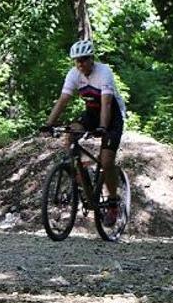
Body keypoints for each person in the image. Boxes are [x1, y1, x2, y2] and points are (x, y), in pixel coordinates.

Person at [42, 39, 126, 227]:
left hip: (112, 117)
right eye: (77, 60)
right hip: (91, 114)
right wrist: (49, 124)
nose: (80, 64)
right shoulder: (74, 74)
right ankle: (81, 169)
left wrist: (103, 128)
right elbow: (63, 100)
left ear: (91, 59)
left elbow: (106, 103)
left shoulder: (104, 72)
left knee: (106, 162)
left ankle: (112, 202)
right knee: (70, 134)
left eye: (84, 59)